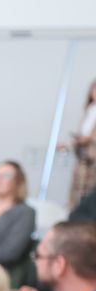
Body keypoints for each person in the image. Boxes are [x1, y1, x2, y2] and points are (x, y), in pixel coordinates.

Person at [64, 79, 96, 210]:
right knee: (78, 191)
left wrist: (90, 139)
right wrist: (69, 143)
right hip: (83, 157)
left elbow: (90, 136)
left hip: (93, 159)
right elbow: (83, 133)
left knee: (90, 191)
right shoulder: (89, 111)